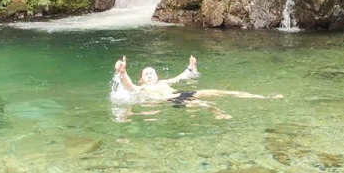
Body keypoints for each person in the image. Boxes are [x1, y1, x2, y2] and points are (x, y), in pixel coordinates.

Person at [113, 55, 282, 119]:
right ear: (141, 80)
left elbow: (180, 77)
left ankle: (263, 97)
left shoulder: (164, 82)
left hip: (180, 93)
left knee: (218, 92)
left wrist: (190, 67)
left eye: (152, 73)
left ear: (157, 76)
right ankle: (217, 113)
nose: (150, 75)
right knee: (204, 104)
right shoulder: (143, 89)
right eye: (146, 74)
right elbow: (129, 87)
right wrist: (123, 72)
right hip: (172, 100)